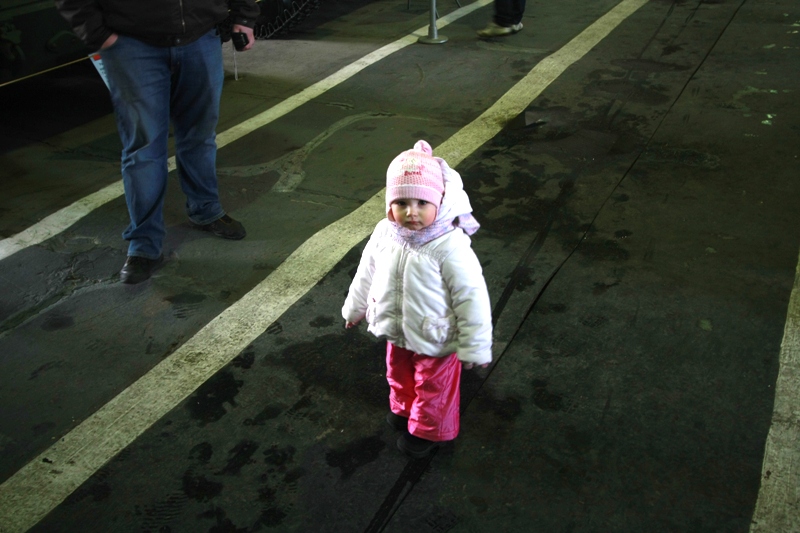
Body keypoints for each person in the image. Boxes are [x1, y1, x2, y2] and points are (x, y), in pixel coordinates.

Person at [55, 0, 260, 284]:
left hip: (200, 37)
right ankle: (144, 243)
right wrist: (97, 33)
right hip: (131, 45)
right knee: (144, 148)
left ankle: (206, 209)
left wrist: (244, 16)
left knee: (200, 136)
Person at [342, 140, 493, 459]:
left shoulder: (450, 245)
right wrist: (355, 307)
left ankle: (428, 429)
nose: (411, 212)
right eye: (402, 202)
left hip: (436, 334)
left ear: (440, 200)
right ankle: (404, 408)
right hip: (396, 326)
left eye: (422, 202)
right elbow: (366, 271)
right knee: (398, 372)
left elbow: (472, 297)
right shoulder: (385, 232)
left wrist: (475, 346)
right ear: (390, 204)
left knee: (433, 384)